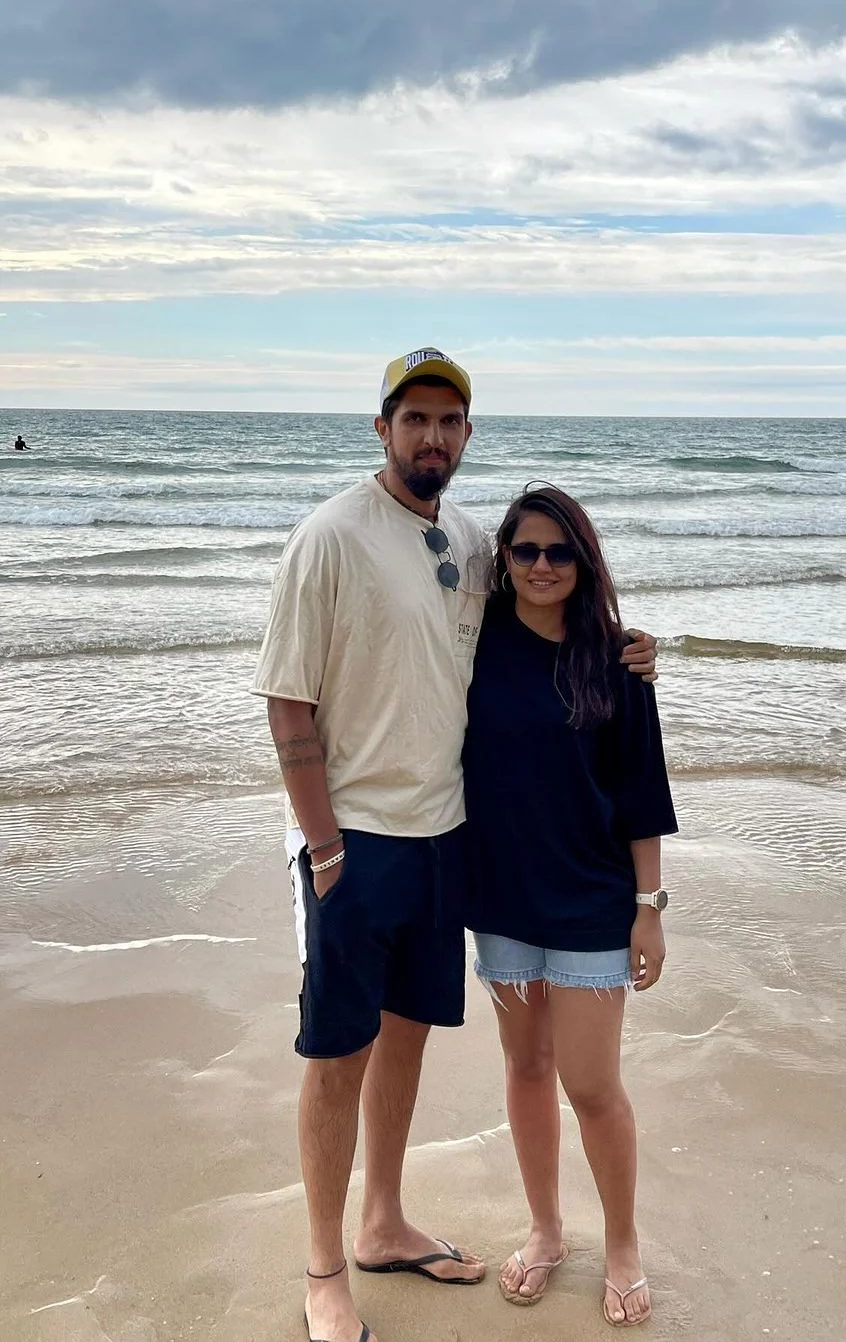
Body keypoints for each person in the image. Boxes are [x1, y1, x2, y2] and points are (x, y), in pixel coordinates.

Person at [252, 349, 658, 1342]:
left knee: (406, 1038)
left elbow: (544, 607)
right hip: (356, 840)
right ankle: (322, 1269)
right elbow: (287, 698)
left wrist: (628, 647)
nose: (431, 435)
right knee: (337, 1052)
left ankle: (383, 1222)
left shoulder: (471, 541)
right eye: (413, 418)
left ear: (467, 436)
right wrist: (323, 844)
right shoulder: (331, 538)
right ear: (380, 429)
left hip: (446, 843)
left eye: (449, 421)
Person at [463, 485, 677, 1328]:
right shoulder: (472, 643)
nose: (543, 566)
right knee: (524, 1068)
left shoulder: (617, 659)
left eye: (560, 552)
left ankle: (621, 1245)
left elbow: (642, 794)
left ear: (583, 562)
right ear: (504, 562)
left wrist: (648, 906)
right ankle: (547, 1232)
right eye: (526, 551)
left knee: (592, 1086)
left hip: (592, 902)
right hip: (503, 898)